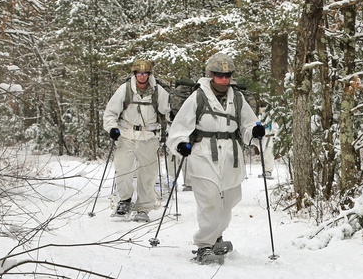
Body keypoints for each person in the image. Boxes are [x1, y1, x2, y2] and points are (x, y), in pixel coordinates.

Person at [166, 52, 264, 264]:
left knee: (228, 203)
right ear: (211, 74)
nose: (224, 79)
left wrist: (255, 133)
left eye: (227, 75)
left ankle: (216, 235)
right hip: (203, 155)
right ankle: (204, 245)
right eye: (219, 75)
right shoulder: (198, 97)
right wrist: (181, 143)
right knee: (209, 201)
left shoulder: (237, 99)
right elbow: (180, 127)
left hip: (230, 156)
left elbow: (248, 125)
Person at [103, 58, 171, 223]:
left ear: (149, 74)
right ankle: (125, 200)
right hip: (126, 135)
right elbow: (110, 112)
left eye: (145, 73)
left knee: (147, 174)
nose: (142, 76)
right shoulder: (124, 90)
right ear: (135, 74)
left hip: (148, 137)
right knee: (123, 168)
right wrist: (112, 128)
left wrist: (170, 124)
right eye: (139, 73)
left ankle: (143, 207)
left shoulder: (158, 91)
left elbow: (167, 112)